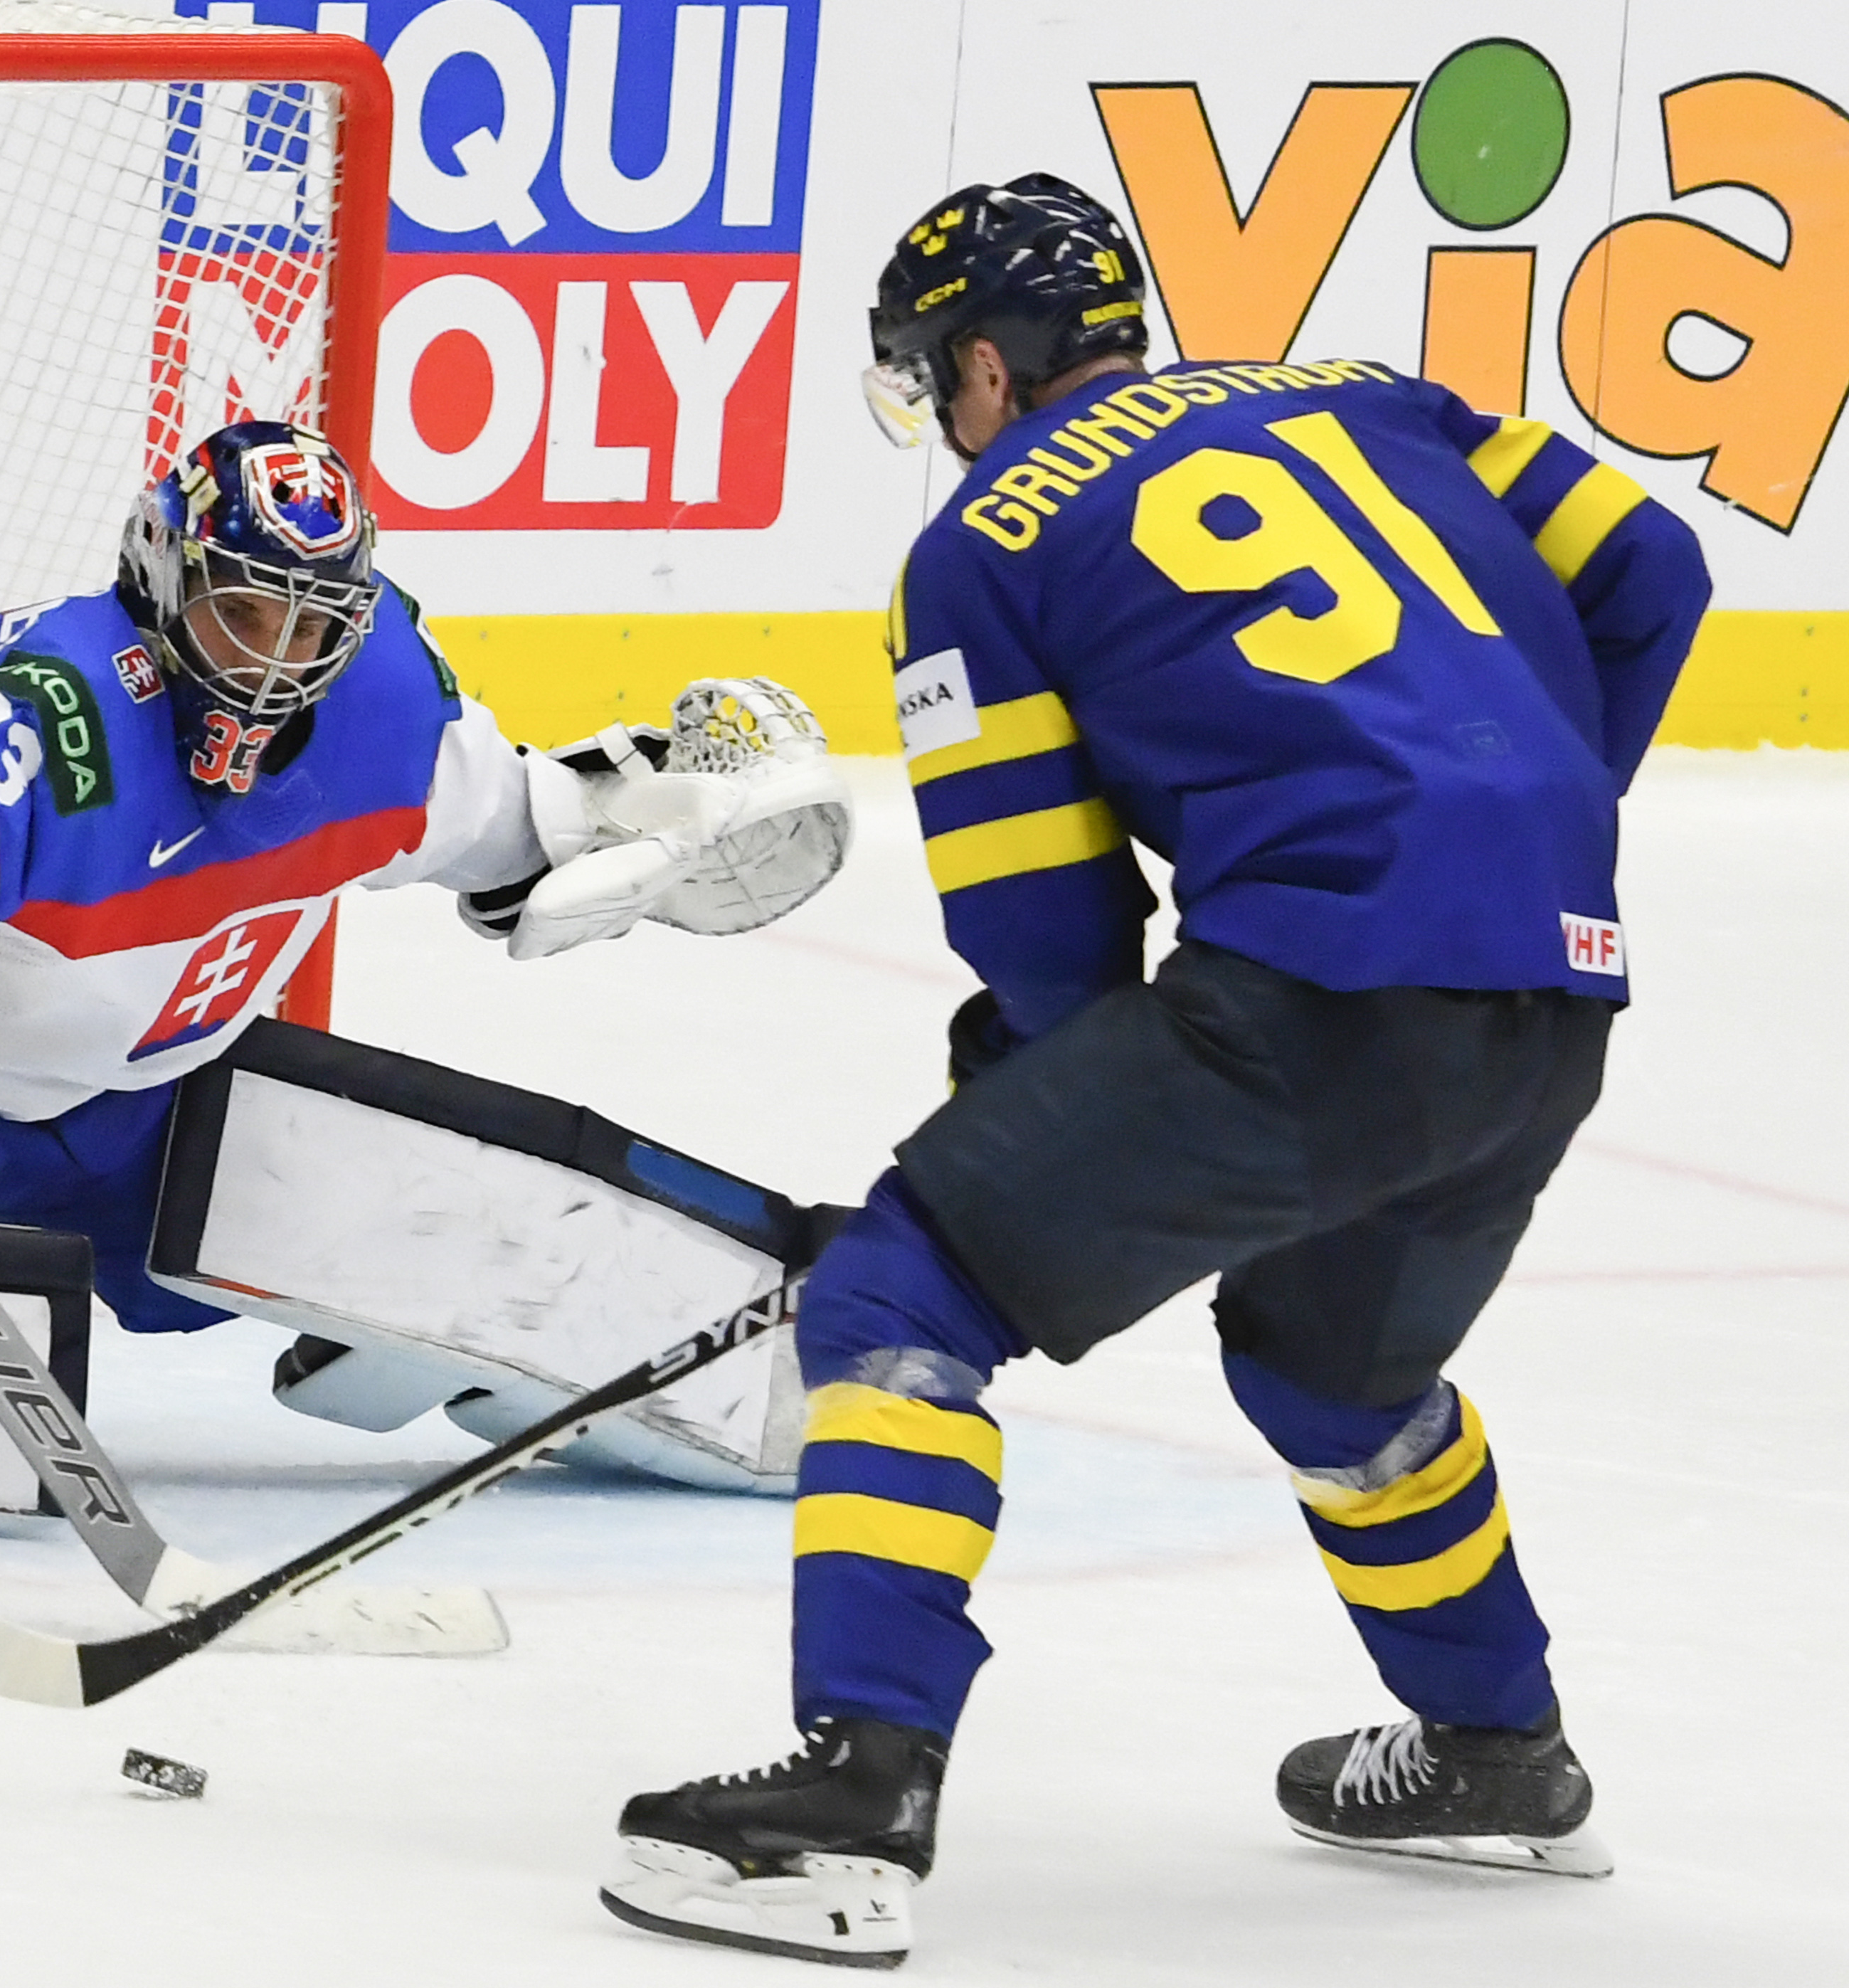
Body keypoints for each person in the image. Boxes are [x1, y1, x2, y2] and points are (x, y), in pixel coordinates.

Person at [599, 176, 1712, 1967]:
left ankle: (853, 1799)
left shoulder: (981, 543)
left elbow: (1045, 929)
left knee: (901, 1292)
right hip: (1552, 983)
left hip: (1317, 1001)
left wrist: (1023, 1098)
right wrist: (1534, 818)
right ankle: (1499, 1748)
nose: (937, 415)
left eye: (930, 376)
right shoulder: (1376, 395)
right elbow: (1654, 568)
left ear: (982, 364)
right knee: (1333, 1376)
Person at [0, 419, 849, 1345]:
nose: (278, 666)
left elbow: (520, 829)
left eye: (311, 629)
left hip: (141, 1115)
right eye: (247, 616)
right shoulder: (61, 717)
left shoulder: (378, 716)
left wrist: (650, 819)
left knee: (402, 1243)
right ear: (165, 581)